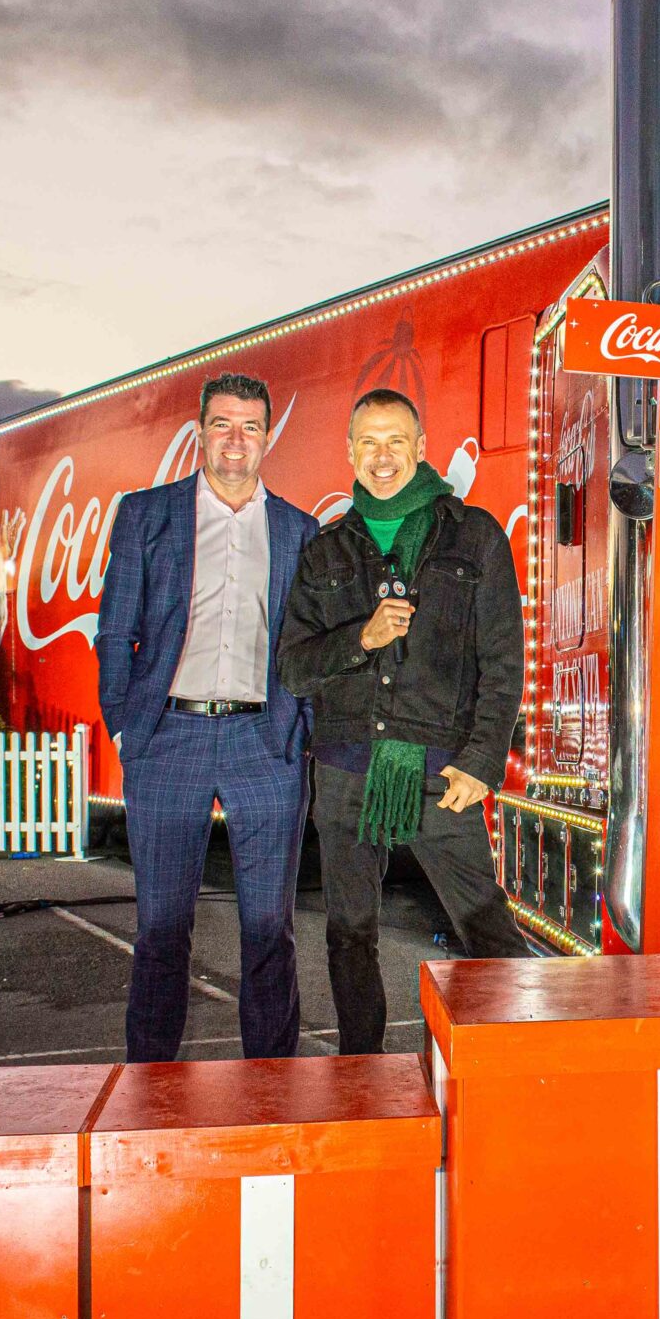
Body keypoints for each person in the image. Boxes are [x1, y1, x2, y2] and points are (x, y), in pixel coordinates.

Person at [277, 387, 528, 1055]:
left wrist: (481, 761)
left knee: (485, 924)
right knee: (349, 932)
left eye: (396, 442)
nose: (382, 457)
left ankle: (521, 1061)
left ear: (420, 449)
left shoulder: (475, 537)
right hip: (346, 771)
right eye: (369, 443)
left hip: (439, 767)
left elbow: (502, 666)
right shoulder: (327, 550)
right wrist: (357, 638)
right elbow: (293, 668)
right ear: (350, 453)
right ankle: (362, 1067)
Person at [96, 371, 316, 1062]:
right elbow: (114, 631)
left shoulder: (296, 529)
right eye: (222, 423)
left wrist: (296, 727)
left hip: (263, 741)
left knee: (268, 928)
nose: (235, 439)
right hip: (170, 736)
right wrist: (127, 726)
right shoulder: (146, 514)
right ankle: (149, 1082)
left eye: (250, 426)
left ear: (267, 437)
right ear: (199, 430)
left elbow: (307, 640)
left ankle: (271, 1083)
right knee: (161, 927)